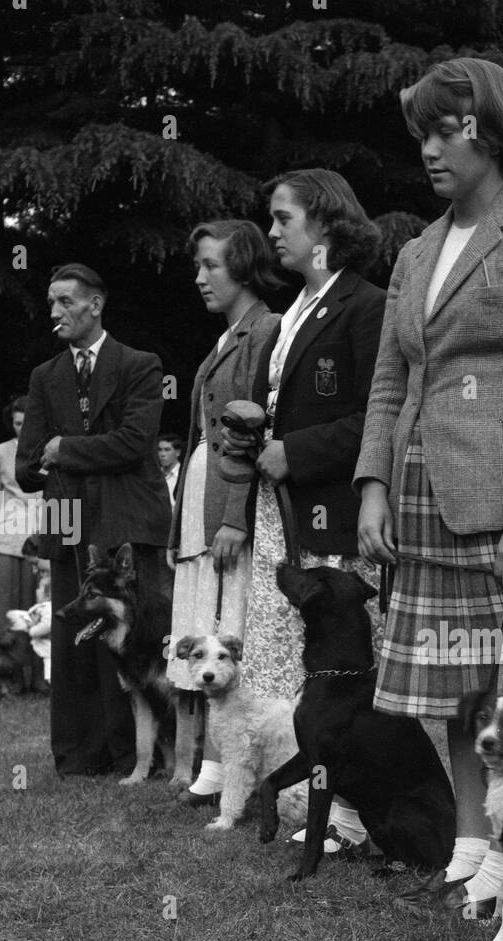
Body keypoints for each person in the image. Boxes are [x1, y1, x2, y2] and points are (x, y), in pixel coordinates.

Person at [356, 58, 503, 914]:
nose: (430, 148)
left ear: (490, 131)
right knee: (452, 691)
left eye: (445, 129)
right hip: (421, 493)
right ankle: (468, 844)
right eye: (421, 132)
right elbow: (389, 383)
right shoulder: (417, 250)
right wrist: (373, 486)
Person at [220, 170, 387, 851]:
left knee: (341, 662)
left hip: (336, 511)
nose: (273, 231)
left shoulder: (364, 305)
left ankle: (352, 811)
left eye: (283, 217)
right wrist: (259, 435)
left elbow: (378, 415)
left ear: (323, 223)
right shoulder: (293, 313)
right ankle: (312, 801)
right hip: (287, 508)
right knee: (300, 662)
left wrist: (300, 450)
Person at [15, 262, 172, 776]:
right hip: (68, 520)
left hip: (127, 518)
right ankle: (80, 756)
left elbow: (135, 441)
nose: (55, 313)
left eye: (65, 301)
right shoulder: (45, 377)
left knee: (138, 638)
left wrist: (64, 449)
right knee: (73, 639)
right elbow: (26, 463)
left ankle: (141, 755)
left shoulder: (139, 365)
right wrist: (55, 455)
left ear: (95, 304)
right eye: (51, 304)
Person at [165, 219, 282, 804]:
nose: (200, 277)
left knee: (232, 613)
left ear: (243, 264)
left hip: (232, 491)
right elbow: (198, 441)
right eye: (199, 266)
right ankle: (214, 760)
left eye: (212, 265)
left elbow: (252, 430)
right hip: (202, 494)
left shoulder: (265, 330)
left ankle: (230, 762)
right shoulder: (224, 338)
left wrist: (236, 512)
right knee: (206, 608)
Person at [0, 396, 41, 623]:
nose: (23, 428)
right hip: (9, 534)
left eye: (27, 422)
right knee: (6, 601)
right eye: (18, 423)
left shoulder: (52, 450)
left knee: (38, 600)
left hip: (42, 531)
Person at [157, 435, 183, 501]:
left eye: (167, 450)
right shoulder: (155, 474)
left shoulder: (184, 475)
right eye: (159, 450)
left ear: (178, 452)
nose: (162, 454)